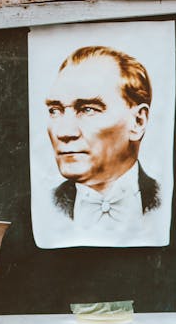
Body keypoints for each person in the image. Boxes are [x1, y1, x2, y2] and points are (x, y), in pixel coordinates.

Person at [43, 45, 162, 244]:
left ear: (138, 122)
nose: (64, 132)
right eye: (56, 110)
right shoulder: (40, 208)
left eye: (88, 109)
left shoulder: (171, 203)